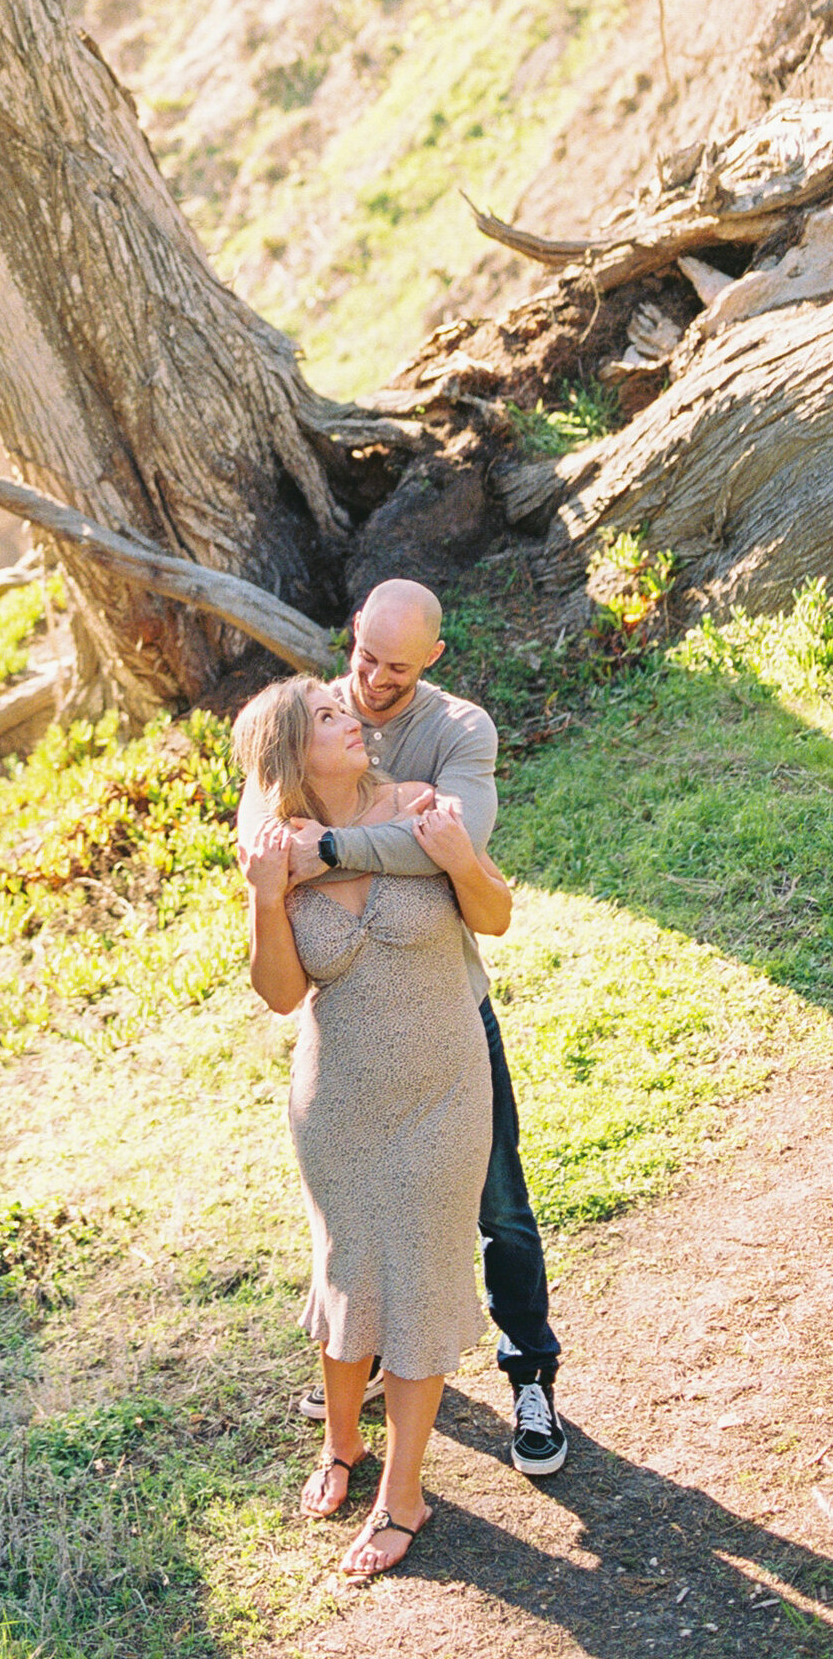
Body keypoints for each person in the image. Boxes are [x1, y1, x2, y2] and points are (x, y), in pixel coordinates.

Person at [244, 579, 567, 1482]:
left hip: (449, 1016)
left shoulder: (458, 733)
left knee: (499, 1209)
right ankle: (367, 1379)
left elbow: (461, 847)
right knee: (359, 1230)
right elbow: (261, 850)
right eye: (363, 660)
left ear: (433, 658)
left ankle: (529, 1375)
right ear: (350, 636)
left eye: (397, 667)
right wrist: (283, 871)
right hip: (347, 1047)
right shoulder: (297, 721)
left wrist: (331, 848)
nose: (373, 684)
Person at [235, 671, 514, 1583]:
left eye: (341, 707)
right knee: (347, 1268)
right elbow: (281, 994)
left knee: (425, 1272)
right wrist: (264, 898)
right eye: (325, 716)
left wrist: (460, 857)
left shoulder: (418, 810)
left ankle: (403, 1496)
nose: (349, 716)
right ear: (289, 753)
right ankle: (341, 1445)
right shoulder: (276, 850)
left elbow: (497, 914)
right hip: (339, 1102)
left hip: (442, 1089)